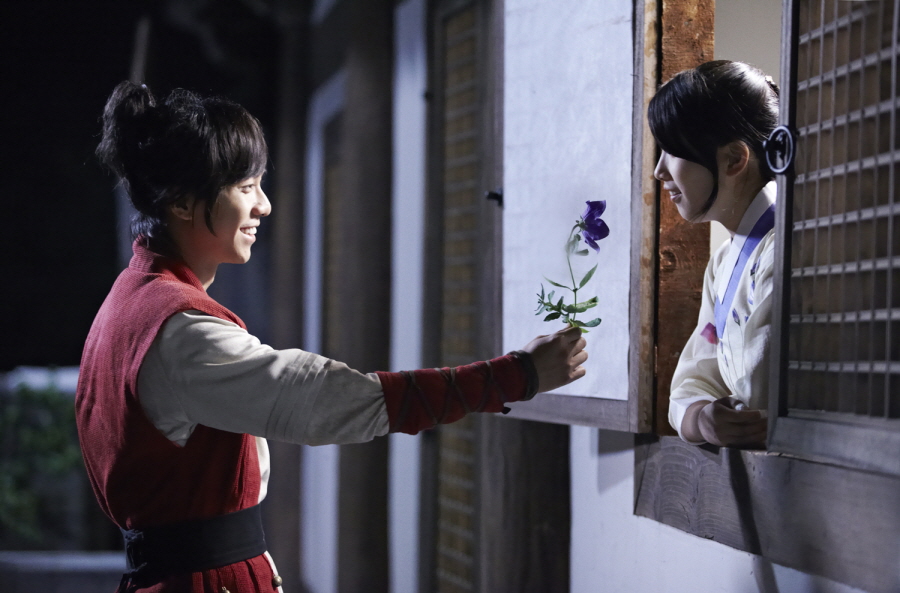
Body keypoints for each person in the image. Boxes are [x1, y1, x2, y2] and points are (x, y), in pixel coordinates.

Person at [75, 81, 588, 593]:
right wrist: (514, 375)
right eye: (245, 187)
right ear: (183, 203)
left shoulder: (132, 299)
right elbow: (333, 399)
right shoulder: (181, 331)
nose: (264, 206)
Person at [649, 60, 778, 448]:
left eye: (673, 151)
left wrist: (719, 416)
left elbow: (762, 389)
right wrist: (701, 419)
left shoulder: (788, 247)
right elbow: (693, 378)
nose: (659, 171)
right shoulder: (723, 261)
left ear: (734, 159)